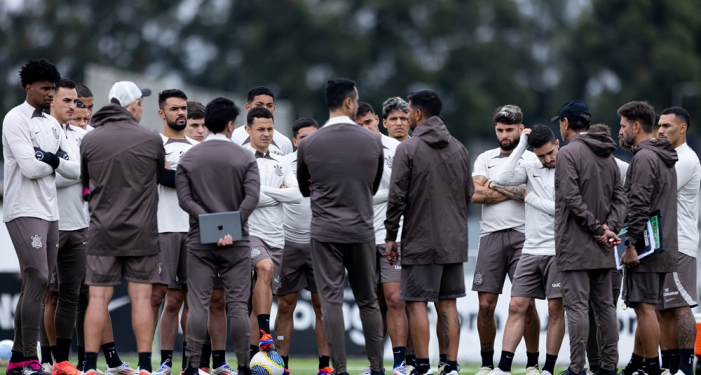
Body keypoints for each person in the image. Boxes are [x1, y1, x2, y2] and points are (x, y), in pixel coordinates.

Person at [297, 78, 384, 375]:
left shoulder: (308, 143)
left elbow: (304, 188)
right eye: (357, 101)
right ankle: (377, 368)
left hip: (324, 231)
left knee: (331, 301)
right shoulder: (373, 140)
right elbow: (371, 186)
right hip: (361, 228)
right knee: (368, 301)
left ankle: (341, 370)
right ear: (349, 102)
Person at [384, 89, 473, 375]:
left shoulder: (408, 149)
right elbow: (468, 193)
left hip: (420, 240)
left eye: (408, 111)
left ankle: (422, 366)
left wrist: (390, 236)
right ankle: (451, 365)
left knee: (417, 303)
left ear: (418, 114)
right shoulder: (460, 148)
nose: (407, 117)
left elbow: (396, 198)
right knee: (448, 305)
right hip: (454, 241)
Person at [3, 58, 80, 375]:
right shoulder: (14, 119)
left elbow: (76, 170)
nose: (50, 94)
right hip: (23, 209)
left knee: (38, 283)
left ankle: (19, 360)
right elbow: (31, 169)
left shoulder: (51, 124)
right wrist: (54, 162)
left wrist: (48, 158)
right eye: (46, 88)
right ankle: (30, 359)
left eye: (53, 88)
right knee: (36, 278)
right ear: (28, 87)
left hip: (50, 212)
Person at [81, 80, 163, 375]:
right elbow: (157, 176)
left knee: (98, 298)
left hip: (102, 231)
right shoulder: (151, 138)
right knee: (141, 298)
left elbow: (85, 181)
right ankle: (143, 366)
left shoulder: (90, 140)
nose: (143, 107)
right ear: (132, 106)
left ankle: (90, 367)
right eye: (141, 102)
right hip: (141, 232)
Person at [176, 97, 260, 375]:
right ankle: (244, 366)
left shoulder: (188, 157)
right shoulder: (245, 156)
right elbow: (251, 198)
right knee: (237, 305)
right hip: (237, 243)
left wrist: (212, 227)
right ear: (230, 124)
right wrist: (230, 228)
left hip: (200, 240)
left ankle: (191, 365)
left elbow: (185, 200)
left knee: (198, 303)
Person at [553, 100, 626, 375]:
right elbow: (622, 197)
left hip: (575, 245)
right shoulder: (608, 153)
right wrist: (609, 228)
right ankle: (608, 367)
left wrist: (598, 229)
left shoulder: (568, 153)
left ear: (566, 123)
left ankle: (577, 368)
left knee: (577, 309)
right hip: (605, 246)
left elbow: (571, 198)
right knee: (605, 308)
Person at [471, 105, 540, 375]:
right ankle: (487, 364)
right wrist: (514, 190)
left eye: (510, 130)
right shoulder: (484, 158)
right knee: (486, 305)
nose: (504, 134)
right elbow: (475, 194)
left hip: (525, 237)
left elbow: (531, 192)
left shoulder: (532, 159)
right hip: (490, 236)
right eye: (500, 130)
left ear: (521, 130)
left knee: (526, 304)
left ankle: (533, 363)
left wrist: (495, 185)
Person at [490, 125, 564, 375]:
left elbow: (562, 209)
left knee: (556, 309)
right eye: (541, 155)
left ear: (557, 143)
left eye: (550, 153)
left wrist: (529, 197)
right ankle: (504, 368)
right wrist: (521, 144)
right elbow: (500, 179)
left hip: (559, 250)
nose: (547, 159)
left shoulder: (568, 166)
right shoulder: (531, 164)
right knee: (515, 306)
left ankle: (548, 368)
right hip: (531, 248)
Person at [618, 101, 679, 375]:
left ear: (636, 126)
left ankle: (652, 368)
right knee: (648, 309)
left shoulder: (643, 157)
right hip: (662, 244)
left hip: (645, 248)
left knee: (645, 310)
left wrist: (630, 244)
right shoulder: (662, 156)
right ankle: (638, 365)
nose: (620, 131)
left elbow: (639, 204)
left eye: (622, 126)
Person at [274, 118, 331, 375]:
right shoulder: (284, 164)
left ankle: (324, 366)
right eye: (304, 138)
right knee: (286, 305)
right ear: (295, 141)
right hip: (289, 243)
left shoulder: (331, 164)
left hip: (321, 244)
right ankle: (282, 365)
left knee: (323, 306)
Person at [243, 106, 302, 358]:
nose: (266, 134)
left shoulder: (281, 160)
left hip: (277, 237)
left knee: (260, 303)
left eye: (270, 129)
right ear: (248, 130)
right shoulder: (241, 157)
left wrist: (263, 192)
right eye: (260, 129)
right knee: (264, 268)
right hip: (248, 233)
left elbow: (297, 194)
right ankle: (266, 334)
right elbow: (245, 198)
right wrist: (278, 194)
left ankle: (253, 358)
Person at [354, 102, 408, 375]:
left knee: (395, 298)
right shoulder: (350, 153)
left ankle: (400, 364)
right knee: (373, 304)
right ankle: (376, 365)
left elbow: (403, 191)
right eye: (359, 125)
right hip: (362, 237)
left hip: (393, 236)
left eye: (368, 123)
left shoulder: (397, 149)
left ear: (377, 121)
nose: (365, 128)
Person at [148, 89, 198, 375]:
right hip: (163, 228)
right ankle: (158, 360)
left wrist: (174, 174)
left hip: (192, 231)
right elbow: (161, 178)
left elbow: (198, 182)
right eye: (175, 108)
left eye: (184, 108)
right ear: (161, 113)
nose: (181, 113)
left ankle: (190, 363)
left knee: (190, 298)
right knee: (159, 297)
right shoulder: (154, 144)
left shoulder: (196, 147)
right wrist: (184, 176)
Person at [39, 78, 85, 375]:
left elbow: (88, 173)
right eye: (66, 101)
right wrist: (74, 172)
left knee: (71, 295)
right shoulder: (40, 130)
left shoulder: (82, 135)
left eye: (75, 101)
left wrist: (62, 166)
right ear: (51, 100)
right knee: (45, 294)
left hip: (80, 225)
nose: (73, 106)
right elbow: (45, 176)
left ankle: (62, 362)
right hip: (49, 221)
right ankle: (41, 358)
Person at [656, 107, 700, 375]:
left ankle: (685, 367)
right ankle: (668, 366)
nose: (660, 131)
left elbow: (657, 191)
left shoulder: (685, 159)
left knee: (680, 306)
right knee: (662, 309)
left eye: (667, 126)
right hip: (663, 242)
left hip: (680, 243)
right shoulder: (670, 156)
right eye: (659, 126)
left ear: (682, 128)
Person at [583, 124, 627, 375]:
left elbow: (628, 205)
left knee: (598, 311)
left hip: (604, 250)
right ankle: (600, 365)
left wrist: (604, 229)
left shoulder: (619, 167)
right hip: (600, 250)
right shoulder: (617, 165)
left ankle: (601, 365)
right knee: (597, 311)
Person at [231, 87, 293, 156]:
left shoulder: (284, 143)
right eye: (259, 105)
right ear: (248, 107)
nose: (264, 109)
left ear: (273, 109)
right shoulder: (232, 138)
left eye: (269, 105)